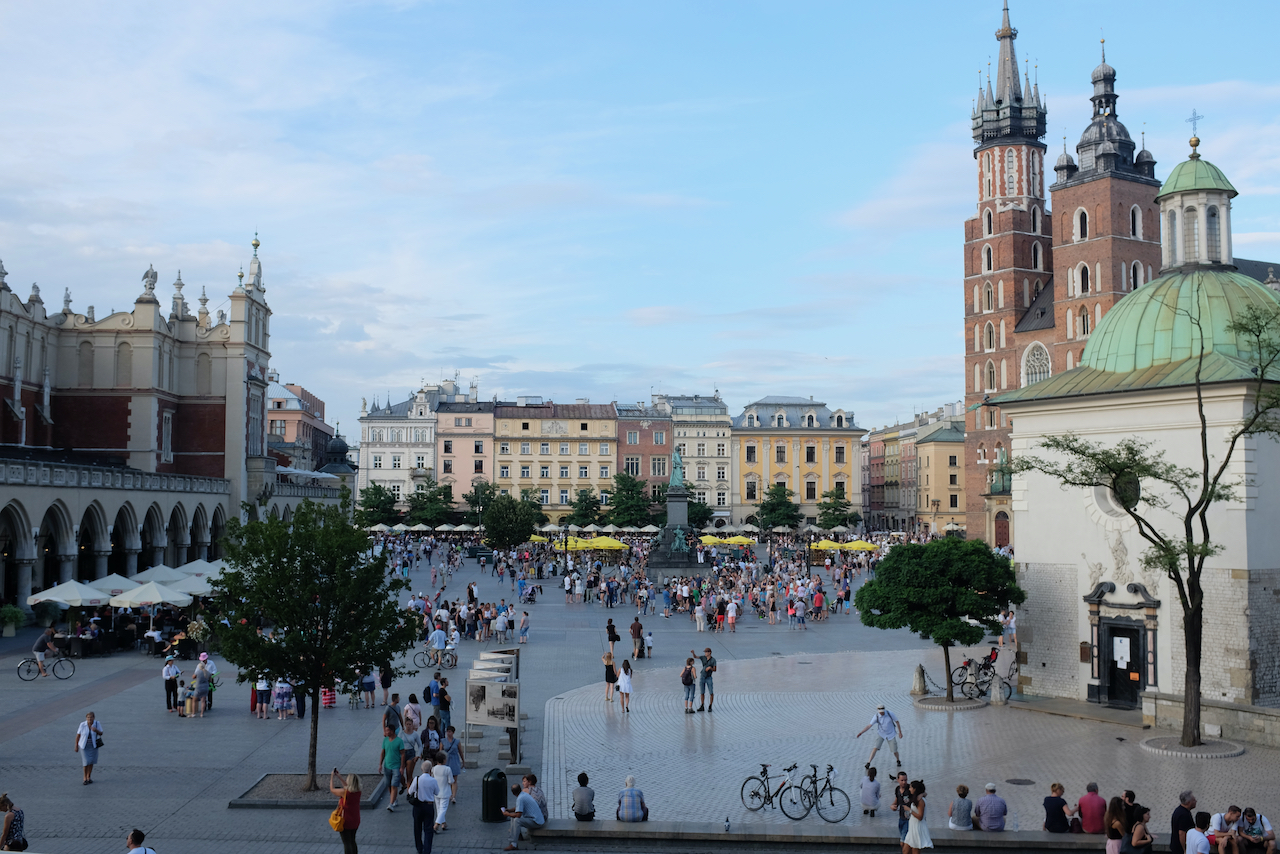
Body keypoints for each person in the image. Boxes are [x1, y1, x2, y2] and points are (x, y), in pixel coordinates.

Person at [502, 776, 544, 851]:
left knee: (517, 820)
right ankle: (518, 836)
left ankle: (513, 844)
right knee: (513, 817)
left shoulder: (520, 798)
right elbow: (518, 808)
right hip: (537, 819)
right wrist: (509, 810)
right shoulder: (524, 794)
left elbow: (518, 815)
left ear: (513, 793)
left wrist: (507, 814)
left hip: (536, 822)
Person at [407, 758, 439, 854]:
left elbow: (410, 791)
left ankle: (419, 848)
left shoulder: (417, 779)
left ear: (421, 769)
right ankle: (427, 850)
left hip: (418, 806)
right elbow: (437, 792)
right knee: (428, 829)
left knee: (417, 828)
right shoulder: (433, 780)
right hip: (429, 806)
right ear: (431, 769)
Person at [857, 704, 904, 769]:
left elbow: (897, 722)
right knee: (875, 747)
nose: (881, 713)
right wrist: (861, 732)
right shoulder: (876, 716)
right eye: (880, 712)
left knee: (894, 750)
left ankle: (898, 760)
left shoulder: (890, 713)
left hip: (891, 734)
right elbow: (869, 725)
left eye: (882, 711)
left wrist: (900, 732)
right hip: (881, 734)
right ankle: (868, 763)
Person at [329, 770, 361, 854]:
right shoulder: (358, 792)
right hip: (355, 820)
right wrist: (339, 777)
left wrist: (332, 777)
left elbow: (332, 790)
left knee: (347, 843)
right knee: (352, 840)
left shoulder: (344, 792)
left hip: (346, 820)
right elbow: (348, 787)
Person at [902, 780, 933, 853]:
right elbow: (925, 793)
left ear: (915, 789)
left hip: (917, 828)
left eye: (911, 787)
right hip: (912, 827)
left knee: (915, 850)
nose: (909, 789)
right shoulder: (916, 798)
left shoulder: (920, 801)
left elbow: (920, 817)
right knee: (905, 851)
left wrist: (909, 810)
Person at [74, 711, 103, 785]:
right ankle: (84, 777)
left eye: (91, 717)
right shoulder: (82, 724)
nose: (89, 719)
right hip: (84, 746)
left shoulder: (97, 723)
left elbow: (101, 733)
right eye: (88, 717)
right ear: (86, 718)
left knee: (91, 761)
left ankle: (88, 777)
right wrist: (76, 745)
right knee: (86, 761)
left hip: (93, 746)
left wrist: (96, 730)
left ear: (94, 718)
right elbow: (78, 735)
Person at [380, 725, 404, 812]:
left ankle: (391, 804)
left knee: (394, 785)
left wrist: (402, 767)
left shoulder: (399, 741)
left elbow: (403, 754)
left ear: (392, 731)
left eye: (387, 731)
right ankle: (394, 799)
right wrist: (380, 764)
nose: (386, 732)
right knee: (389, 784)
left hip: (396, 767)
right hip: (387, 766)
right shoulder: (385, 740)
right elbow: (383, 752)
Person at [431, 750, 456, 832]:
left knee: (439, 808)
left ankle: (443, 823)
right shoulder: (447, 769)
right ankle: (436, 825)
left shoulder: (434, 769)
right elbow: (451, 781)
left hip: (436, 792)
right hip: (445, 792)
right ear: (444, 760)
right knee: (443, 809)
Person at [693, 647, 716, 712]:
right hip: (702, 676)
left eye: (706, 652)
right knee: (702, 692)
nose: (705, 653)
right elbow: (695, 657)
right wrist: (693, 653)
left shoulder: (713, 660)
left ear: (709, 652)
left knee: (711, 692)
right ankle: (702, 705)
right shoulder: (703, 657)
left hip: (709, 677)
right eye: (705, 652)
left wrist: (710, 668)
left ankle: (710, 706)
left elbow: (715, 669)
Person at [891, 771, 912, 843]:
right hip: (901, 818)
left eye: (905, 780)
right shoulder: (897, 789)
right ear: (898, 780)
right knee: (904, 839)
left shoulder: (910, 789)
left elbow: (923, 793)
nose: (904, 782)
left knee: (903, 841)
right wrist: (892, 806)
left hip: (909, 819)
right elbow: (896, 800)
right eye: (902, 780)